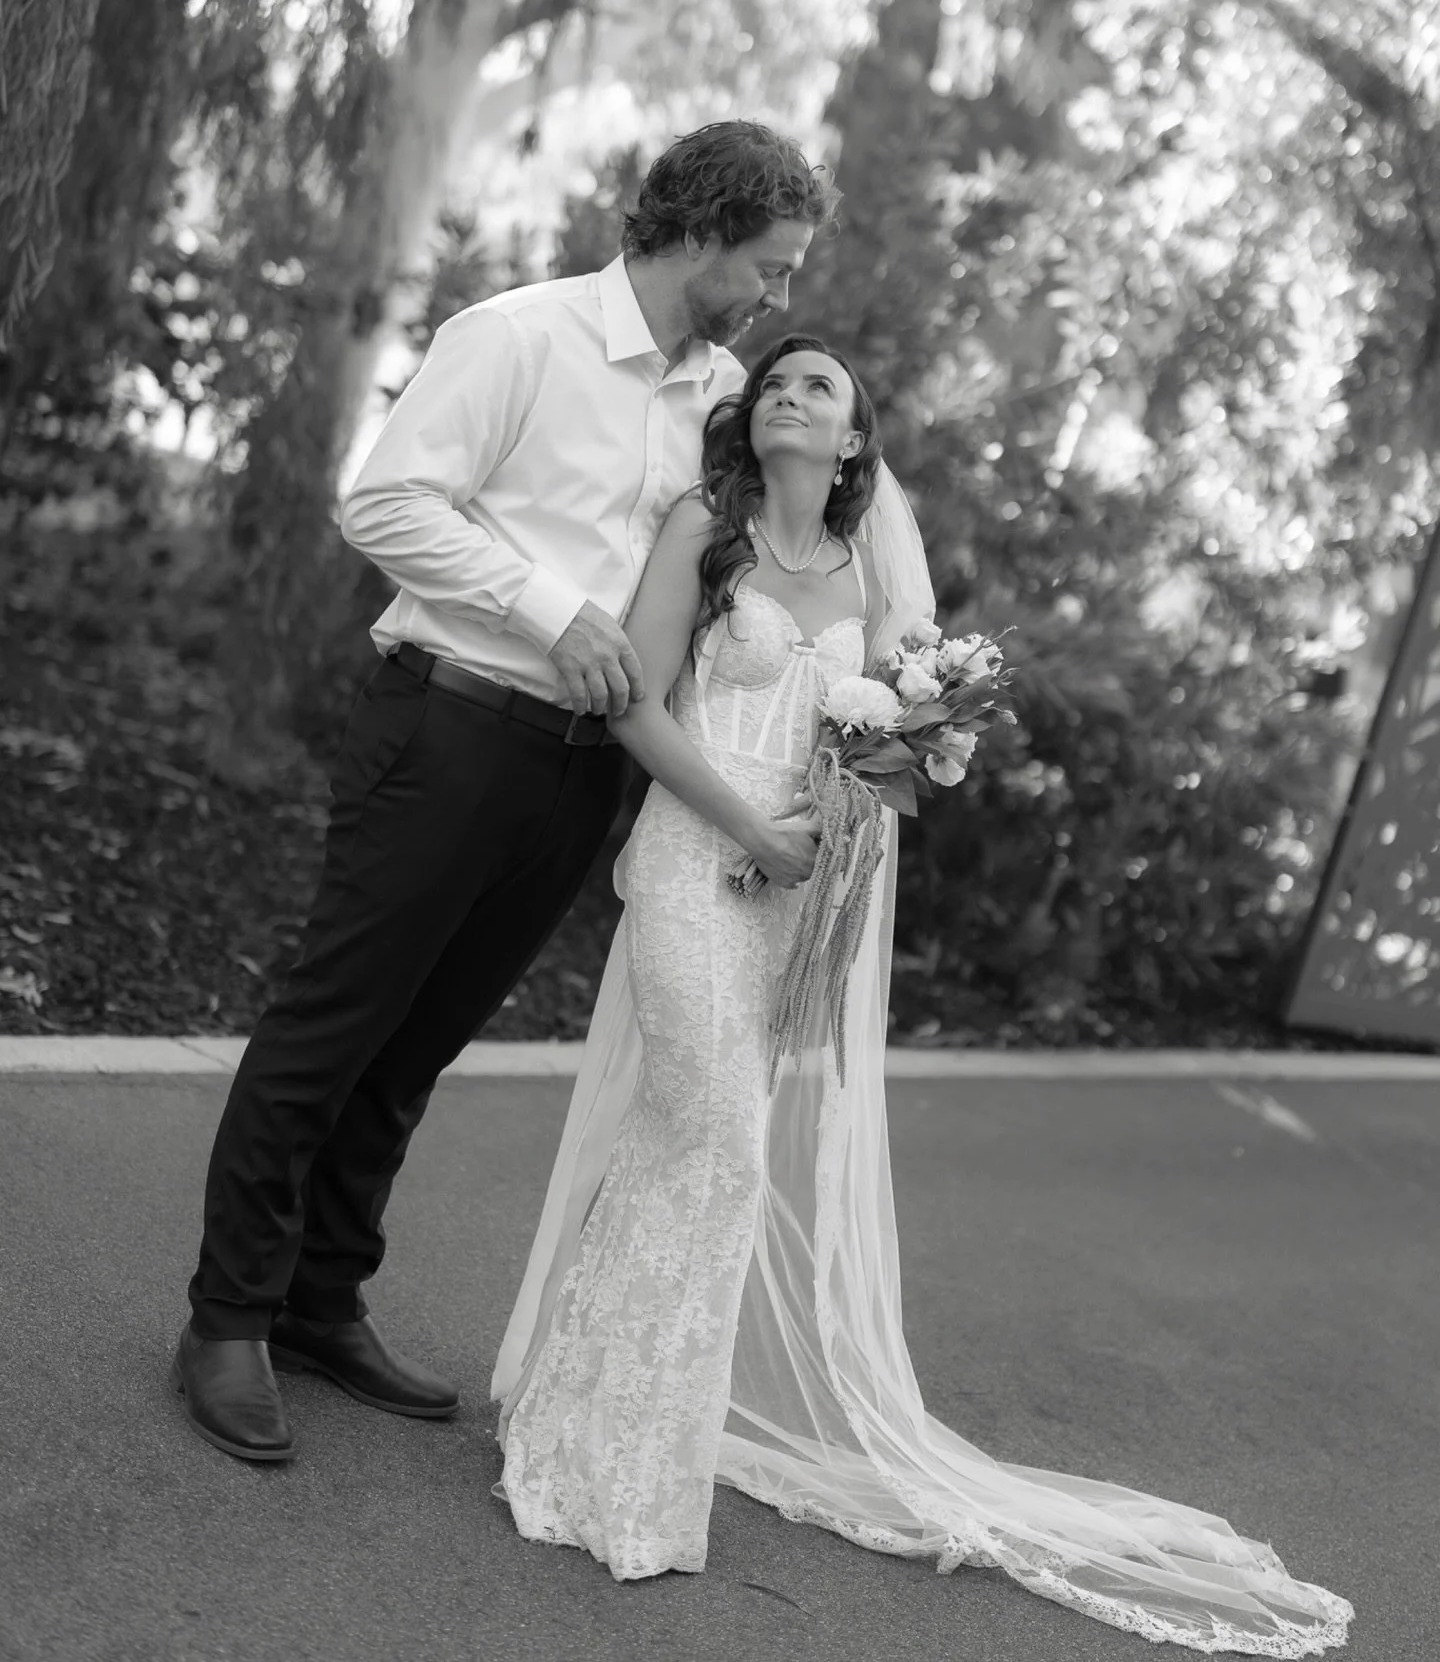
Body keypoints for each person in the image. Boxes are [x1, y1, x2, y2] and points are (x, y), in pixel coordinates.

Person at [493, 334, 1354, 1655]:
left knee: (685, 1146)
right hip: (687, 855)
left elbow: (900, 743)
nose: (788, 395)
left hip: (789, 895)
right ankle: (621, 1476)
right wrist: (749, 824)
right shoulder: (700, 530)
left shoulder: (871, 574)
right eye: (774, 382)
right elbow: (641, 708)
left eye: (818, 389)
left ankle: (585, 1420)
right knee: (719, 1146)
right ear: (754, 423)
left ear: (852, 445)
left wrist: (852, 803)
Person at [172, 121, 839, 1463]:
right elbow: (388, 505)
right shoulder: (519, 336)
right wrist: (550, 611)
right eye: (767, 266)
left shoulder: (716, 392)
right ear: (702, 231)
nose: (777, 299)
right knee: (334, 1022)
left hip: (586, 769)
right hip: (452, 729)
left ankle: (319, 1300)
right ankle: (225, 1319)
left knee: (421, 1043)